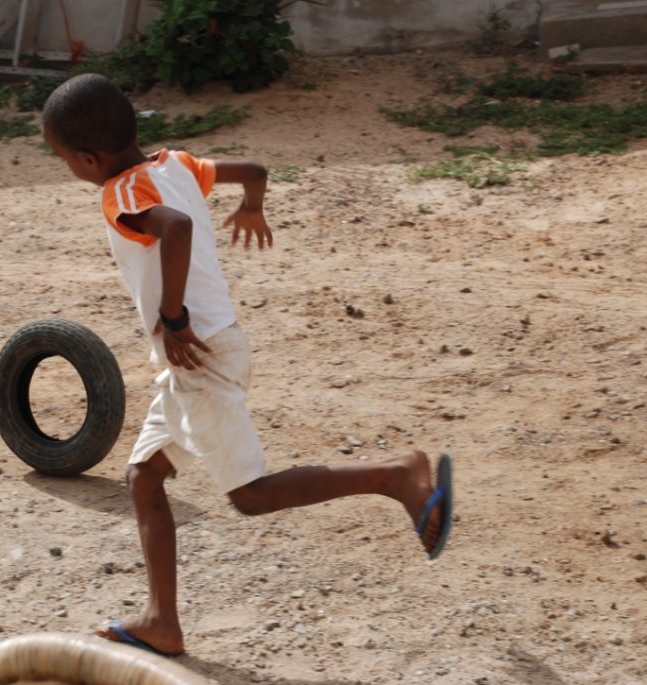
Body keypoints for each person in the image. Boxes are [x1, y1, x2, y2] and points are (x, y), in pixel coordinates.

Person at [41, 73, 453, 657]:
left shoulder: (121, 194)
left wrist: (174, 317)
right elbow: (254, 170)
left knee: (251, 496)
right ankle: (162, 621)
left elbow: (176, 228)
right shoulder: (177, 164)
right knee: (145, 476)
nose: (69, 168)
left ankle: (395, 475)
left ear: (88, 158)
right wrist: (251, 205)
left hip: (198, 353)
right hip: (208, 351)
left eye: (64, 159)